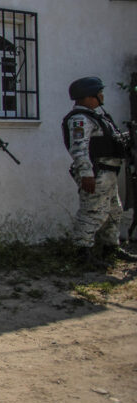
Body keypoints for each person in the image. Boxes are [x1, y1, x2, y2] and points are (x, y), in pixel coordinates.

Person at [62, 76, 137, 268]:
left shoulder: (97, 117)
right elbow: (78, 149)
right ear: (88, 97)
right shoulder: (80, 119)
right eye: (99, 92)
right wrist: (86, 174)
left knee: (114, 211)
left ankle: (110, 247)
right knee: (92, 212)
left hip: (108, 173)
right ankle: (82, 253)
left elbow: (111, 140)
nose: (102, 95)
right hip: (97, 173)